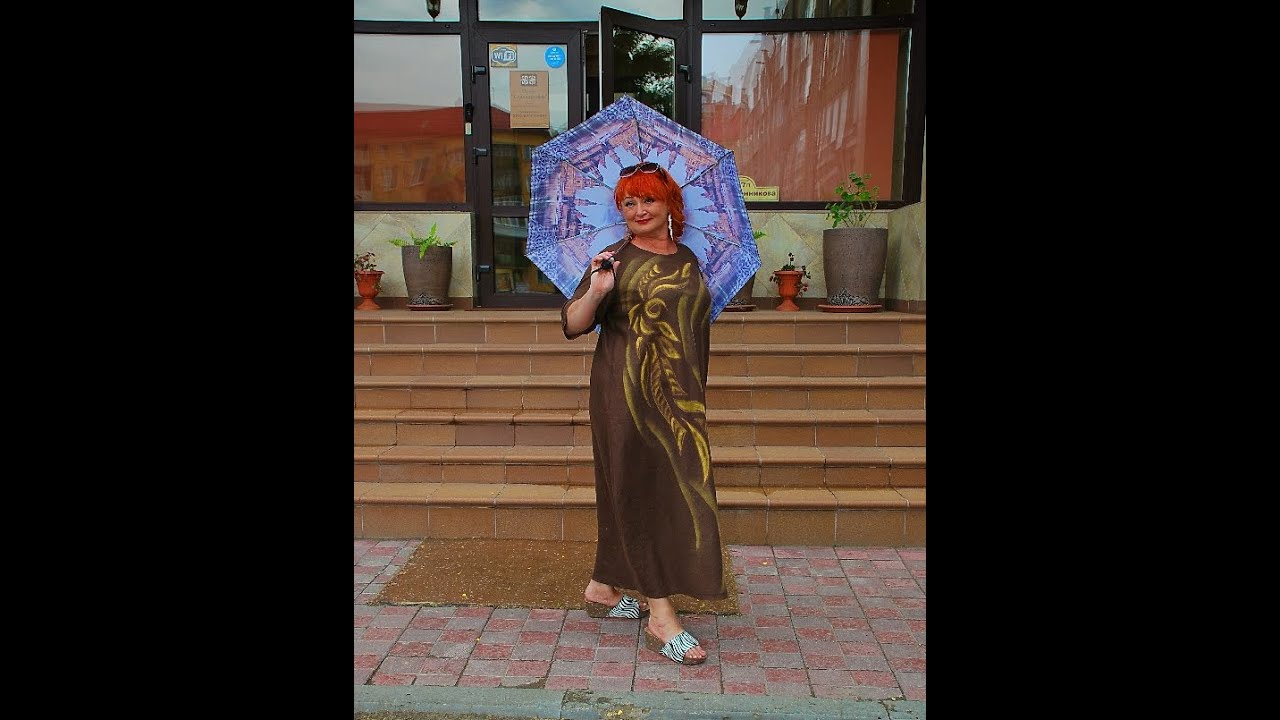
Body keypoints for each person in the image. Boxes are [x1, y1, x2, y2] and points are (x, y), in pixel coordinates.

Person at [561, 161, 726, 666]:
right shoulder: (613, 259)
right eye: (628, 202)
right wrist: (597, 290)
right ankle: (661, 615)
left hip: (679, 399)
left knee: (669, 487)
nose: (638, 210)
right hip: (625, 394)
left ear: (670, 203)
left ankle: (602, 587)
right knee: (638, 491)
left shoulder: (689, 257)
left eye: (648, 199)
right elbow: (572, 325)